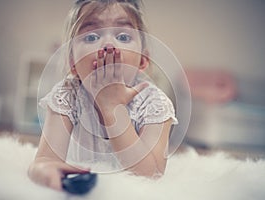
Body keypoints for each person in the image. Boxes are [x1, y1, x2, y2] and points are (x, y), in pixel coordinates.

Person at [28, 0, 178, 191]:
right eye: (91, 37)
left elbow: (150, 174)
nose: (108, 44)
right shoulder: (67, 95)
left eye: (123, 37)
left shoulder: (154, 103)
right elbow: (44, 160)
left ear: (143, 60)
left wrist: (112, 108)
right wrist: (46, 173)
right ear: (73, 63)